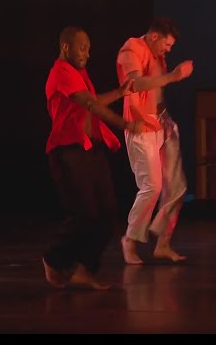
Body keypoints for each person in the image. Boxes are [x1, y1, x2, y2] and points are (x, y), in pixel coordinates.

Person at [43, 26, 145, 290]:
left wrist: (120, 92)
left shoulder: (79, 73)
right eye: (81, 47)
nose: (87, 53)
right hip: (68, 150)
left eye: (89, 47)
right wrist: (125, 124)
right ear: (66, 47)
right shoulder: (61, 72)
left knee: (108, 214)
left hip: (91, 149)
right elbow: (90, 104)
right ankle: (54, 260)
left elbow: (94, 99)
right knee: (85, 214)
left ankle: (84, 269)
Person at [116, 18, 193, 265]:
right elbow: (135, 84)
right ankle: (130, 239)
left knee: (177, 186)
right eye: (166, 45)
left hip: (162, 122)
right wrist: (172, 77)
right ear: (154, 37)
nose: (168, 50)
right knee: (153, 186)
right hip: (141, 126)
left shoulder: (156, 54)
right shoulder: (132, 49)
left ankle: (163, 243)